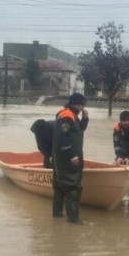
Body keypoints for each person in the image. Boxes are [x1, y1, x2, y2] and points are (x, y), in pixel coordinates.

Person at [51, 92, 88, 223]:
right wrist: (72, 155)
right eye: (82, 105)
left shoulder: (69, 114)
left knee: (59, 187)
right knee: (72, 187)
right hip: (67, 158)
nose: (83, 108)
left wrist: (85, 119)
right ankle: (73, 220)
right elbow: (62, 137)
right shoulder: (67, 116)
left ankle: (57, 217)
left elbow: (78, 130)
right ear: (77, 105)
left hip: (61, 157)